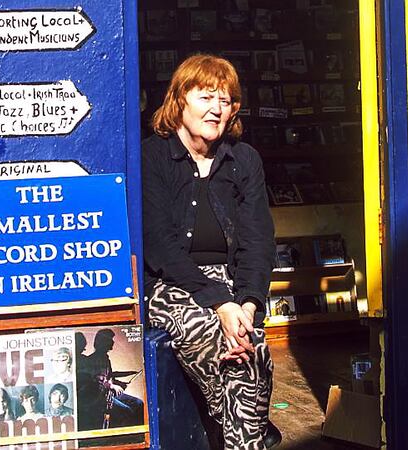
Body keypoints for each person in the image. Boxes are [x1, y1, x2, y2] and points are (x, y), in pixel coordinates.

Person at [142, 53, 280, 449]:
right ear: (179, 100)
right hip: (172, 283)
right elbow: (160, 245)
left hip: (233, 287)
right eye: (206, 97)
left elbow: (258, 240)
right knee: (211, 335)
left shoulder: (245, 160)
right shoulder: (153, 156)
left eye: (226, 100)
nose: (217, 110)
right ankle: (253, 430)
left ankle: (243, 435)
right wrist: (220, 304)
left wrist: (249, 304)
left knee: (250, 347)